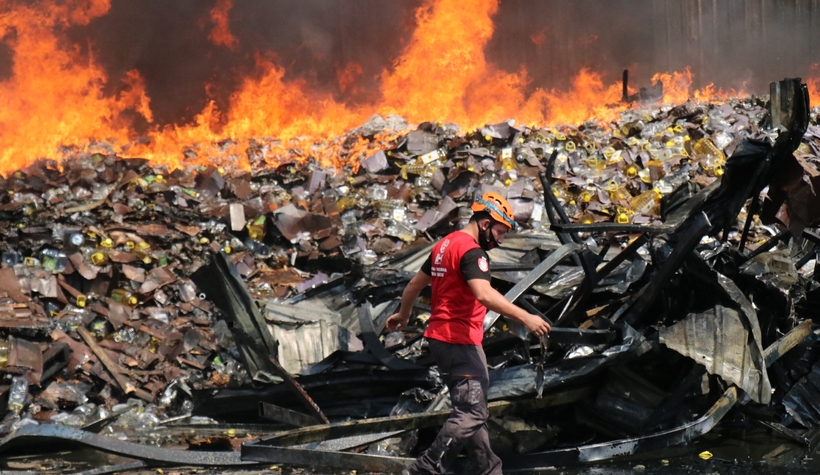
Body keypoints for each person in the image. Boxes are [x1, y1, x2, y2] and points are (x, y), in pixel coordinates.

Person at [386, 191, 551, 475]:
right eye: (500, 232)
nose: (501, 240)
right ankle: (424, 470)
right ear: (485, 223)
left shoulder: (444, 245)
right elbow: (484, 294)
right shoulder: (473, 253)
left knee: (473, 412)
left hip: (442, 340)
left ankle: (490, 470)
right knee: (472, 413)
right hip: (459, 341)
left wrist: (403, 314)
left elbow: (414, 285)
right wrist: (526, 317)